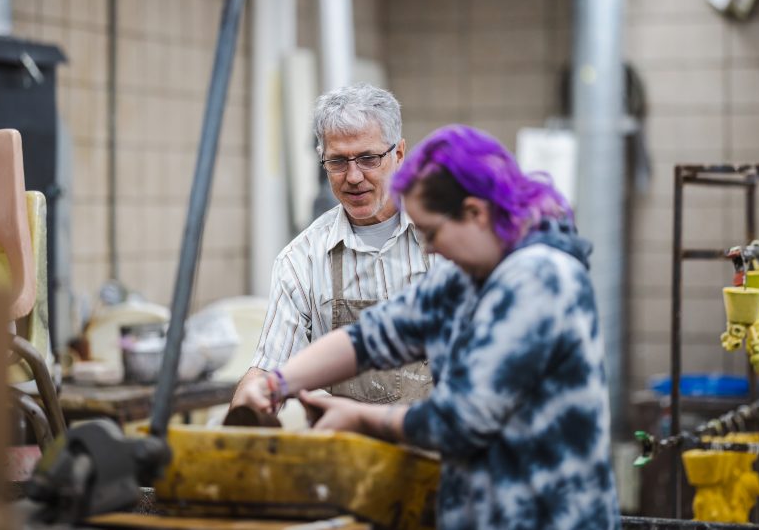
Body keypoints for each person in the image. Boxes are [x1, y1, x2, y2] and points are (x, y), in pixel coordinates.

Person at [235, 124, 620, 529]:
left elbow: (461, 420)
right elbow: (373, 337)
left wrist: (360, 419)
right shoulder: (465, 279)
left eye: (432, 232)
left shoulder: (541, 278)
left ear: (476, 213)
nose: (430, 248)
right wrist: (278, 383)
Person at [231, 83, 434, 408]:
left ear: (398, 154)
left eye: (368, 159)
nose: (353, 177)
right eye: (338, 162)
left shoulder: (441, 240)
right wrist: (247, 411)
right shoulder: (301, 260)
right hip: (350, 450)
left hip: (442, 445)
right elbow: (269, 367)